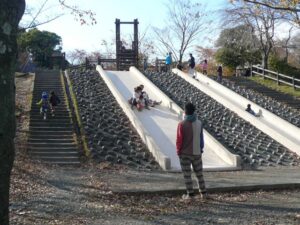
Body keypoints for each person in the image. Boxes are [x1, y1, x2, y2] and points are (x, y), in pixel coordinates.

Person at [176, 102, 207, 200]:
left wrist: (178, 151)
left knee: (187, 175)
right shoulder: (199, 123)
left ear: (185, 111)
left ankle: (191, 195)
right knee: (199, 174)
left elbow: (179, 140)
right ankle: (203, 193)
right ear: (194, 111)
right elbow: (201, 139)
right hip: (197, 153)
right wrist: (201, 149)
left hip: (185, 153)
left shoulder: (182, 124)